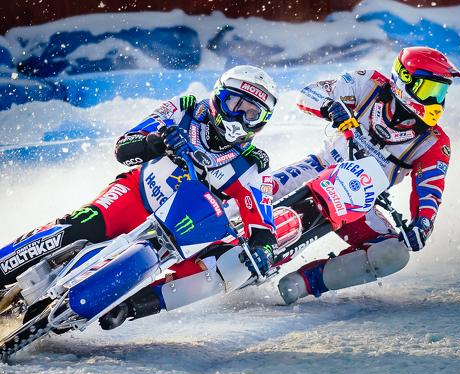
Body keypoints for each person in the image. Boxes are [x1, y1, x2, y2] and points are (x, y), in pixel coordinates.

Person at [0, 65, 278, 327]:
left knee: (228, 264)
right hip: (134, 196)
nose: (240, 117)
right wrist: (156, 143)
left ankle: (131, 305)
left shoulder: (252, 165)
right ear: (219, 98)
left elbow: (263, 227)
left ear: (262, 122)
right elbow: (124, 147)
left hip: (175, 235)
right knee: (80, 225)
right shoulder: (183, 109)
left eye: (252, 113)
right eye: (235, 104)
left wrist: (263, 252)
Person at [273, 46, 460, 304]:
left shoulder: (434, 141)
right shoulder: (367, 83)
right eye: (429, 90)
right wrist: (330, 106)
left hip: (359, 201)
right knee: (253, 190)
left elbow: (430, 189)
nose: (435, 100)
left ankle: (305, 282)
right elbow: (308, 93)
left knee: (393, 254)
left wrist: (422, 224)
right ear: (404, 80)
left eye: (440, 92)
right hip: (318, 167)